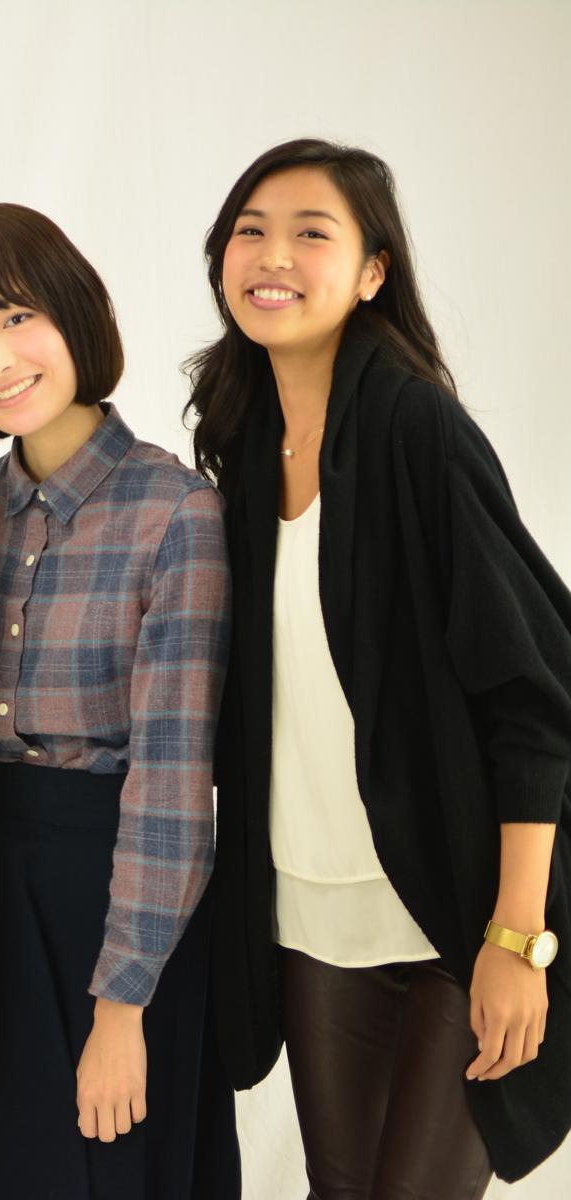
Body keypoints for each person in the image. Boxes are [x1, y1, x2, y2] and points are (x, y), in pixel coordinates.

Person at [192, 138, 571, 1194]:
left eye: (311, 233)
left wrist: (517, 938)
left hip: (457, 913)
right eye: (251, 231)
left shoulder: (415, 428)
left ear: (371, 273)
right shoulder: (241, 447)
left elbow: (535, 697)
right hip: (315, 917)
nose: (273, 256)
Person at [0, 203, 238, 1199]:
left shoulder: (175, 512)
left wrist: (122, 1007)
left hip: (117, 894)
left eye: (16, 318)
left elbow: (173, 783)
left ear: (73, 312)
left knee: (107, 1168)